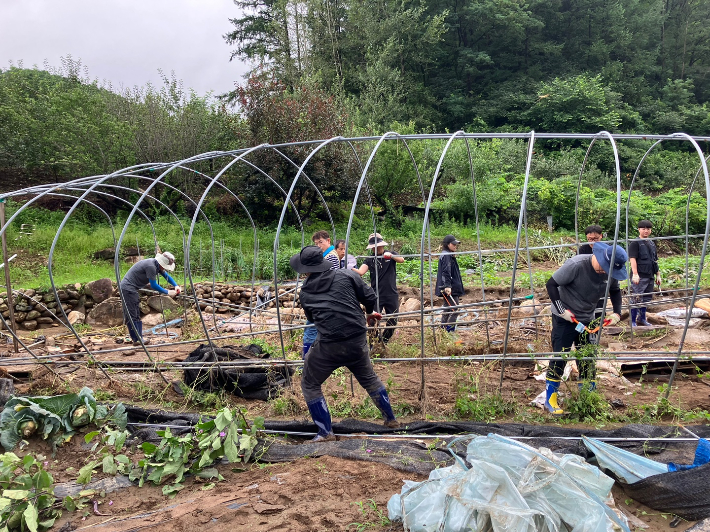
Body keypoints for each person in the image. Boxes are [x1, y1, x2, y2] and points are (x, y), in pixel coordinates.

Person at [290, 246, 399, 442]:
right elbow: (370, 297)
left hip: (329, 345)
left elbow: (313, 317)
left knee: (310, 383)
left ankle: (325, 432)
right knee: (369, 378)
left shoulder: (305, 292)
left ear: (305, 270)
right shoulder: (348, 276)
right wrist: (369, 313)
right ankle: (390, 419)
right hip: (356, 340)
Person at [544, 242, 626, 415]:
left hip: (588, 319)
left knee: (588, 357)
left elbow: (615, 291)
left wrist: (617, 313)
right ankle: (550, 399)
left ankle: (588, 398)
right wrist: (561, 310)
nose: (604, 272)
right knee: (561, 355)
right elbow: (551, 284)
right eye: (603, 267)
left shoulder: (610, 272)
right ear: (598, 256)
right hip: (565, 318)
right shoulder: (576, 265)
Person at [120, 252, 181, 346]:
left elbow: (166, 276)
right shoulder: (151, 266)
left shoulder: (156, 265)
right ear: (161, 264)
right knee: (132, 314)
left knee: (136, 313)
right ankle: (137, 339)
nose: (164, 269)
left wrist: (175, 285)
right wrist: (167, 292)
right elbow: (153, 285)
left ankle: (138, 338)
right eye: (164, 266)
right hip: (127, 288)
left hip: (132, 288)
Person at [354, 233, 405, 344]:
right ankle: (374, 344)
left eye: (379, 246)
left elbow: (401, 260)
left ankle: (383, 342)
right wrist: (350, 268)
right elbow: (361, 272)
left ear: (382, 245)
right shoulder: (369, 260)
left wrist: (391, 256)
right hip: (376, 294)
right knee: (372, 321)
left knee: (393, 321)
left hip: (391, 293)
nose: (376, 248)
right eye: (374, 247)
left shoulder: (391, 255)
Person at [302, 231, 340, 357]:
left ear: (328, 241)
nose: (318, 245)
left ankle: (307, 359)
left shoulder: (331, 256)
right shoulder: (326, 255)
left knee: (311, 329)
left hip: (322, 298)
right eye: (316, 243)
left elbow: (330, 278)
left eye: (321, 242)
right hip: (324, 298)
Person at [628, 220, 661, 327]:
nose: (646, 231)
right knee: (636, 298)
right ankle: (632, 321)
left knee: (646, 298)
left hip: (650, 275)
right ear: (639, 230)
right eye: (643, 229)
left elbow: (654, 260)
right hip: (640, 275)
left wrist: (658, 275)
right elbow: (632, 259)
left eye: (648, 229)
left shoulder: (651, 243)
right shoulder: (635, 243)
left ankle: (641, 318)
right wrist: (635, 274)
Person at [435, 235, 464, 333]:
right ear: (447, 244)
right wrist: (447, 286)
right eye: (453, 244)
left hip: (448, 286)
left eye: (456, 244)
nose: (455, 246)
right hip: (449, 287)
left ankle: (442, 332)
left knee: (447, 309)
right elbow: (446, 271)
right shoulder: (447, 255)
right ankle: (449, 332)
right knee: (455, 309)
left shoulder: (447, 254)